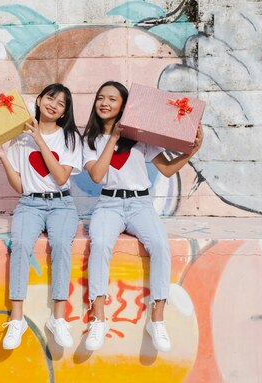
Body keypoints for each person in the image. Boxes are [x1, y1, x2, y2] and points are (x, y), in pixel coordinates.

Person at [82, 81, 203, 352]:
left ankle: (157, 318)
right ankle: (99, 318)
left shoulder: (141, 139)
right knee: (100, 244)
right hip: (108, 205)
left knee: (160, 245)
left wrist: (192, 151)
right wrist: (112, 139)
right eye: (100, 98)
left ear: (124, 105)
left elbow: (168, 170)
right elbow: (97, 175)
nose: (104, 103)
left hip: (140, 204)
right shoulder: (89, 140)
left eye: (112, 99)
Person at [0, 83, 83, 350]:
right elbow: (21, 186)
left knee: (61, 244)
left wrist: (39, 140)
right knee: (21, 245)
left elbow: (61, 177)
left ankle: (58, 318)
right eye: (50, 98)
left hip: (62, 204)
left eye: (61, 103)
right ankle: (17, 319)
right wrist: (3, 156)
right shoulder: (20, 137)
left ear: (63, 113)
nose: (54, 104)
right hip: (30, 204)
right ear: (38, 100)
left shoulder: (70, 138)